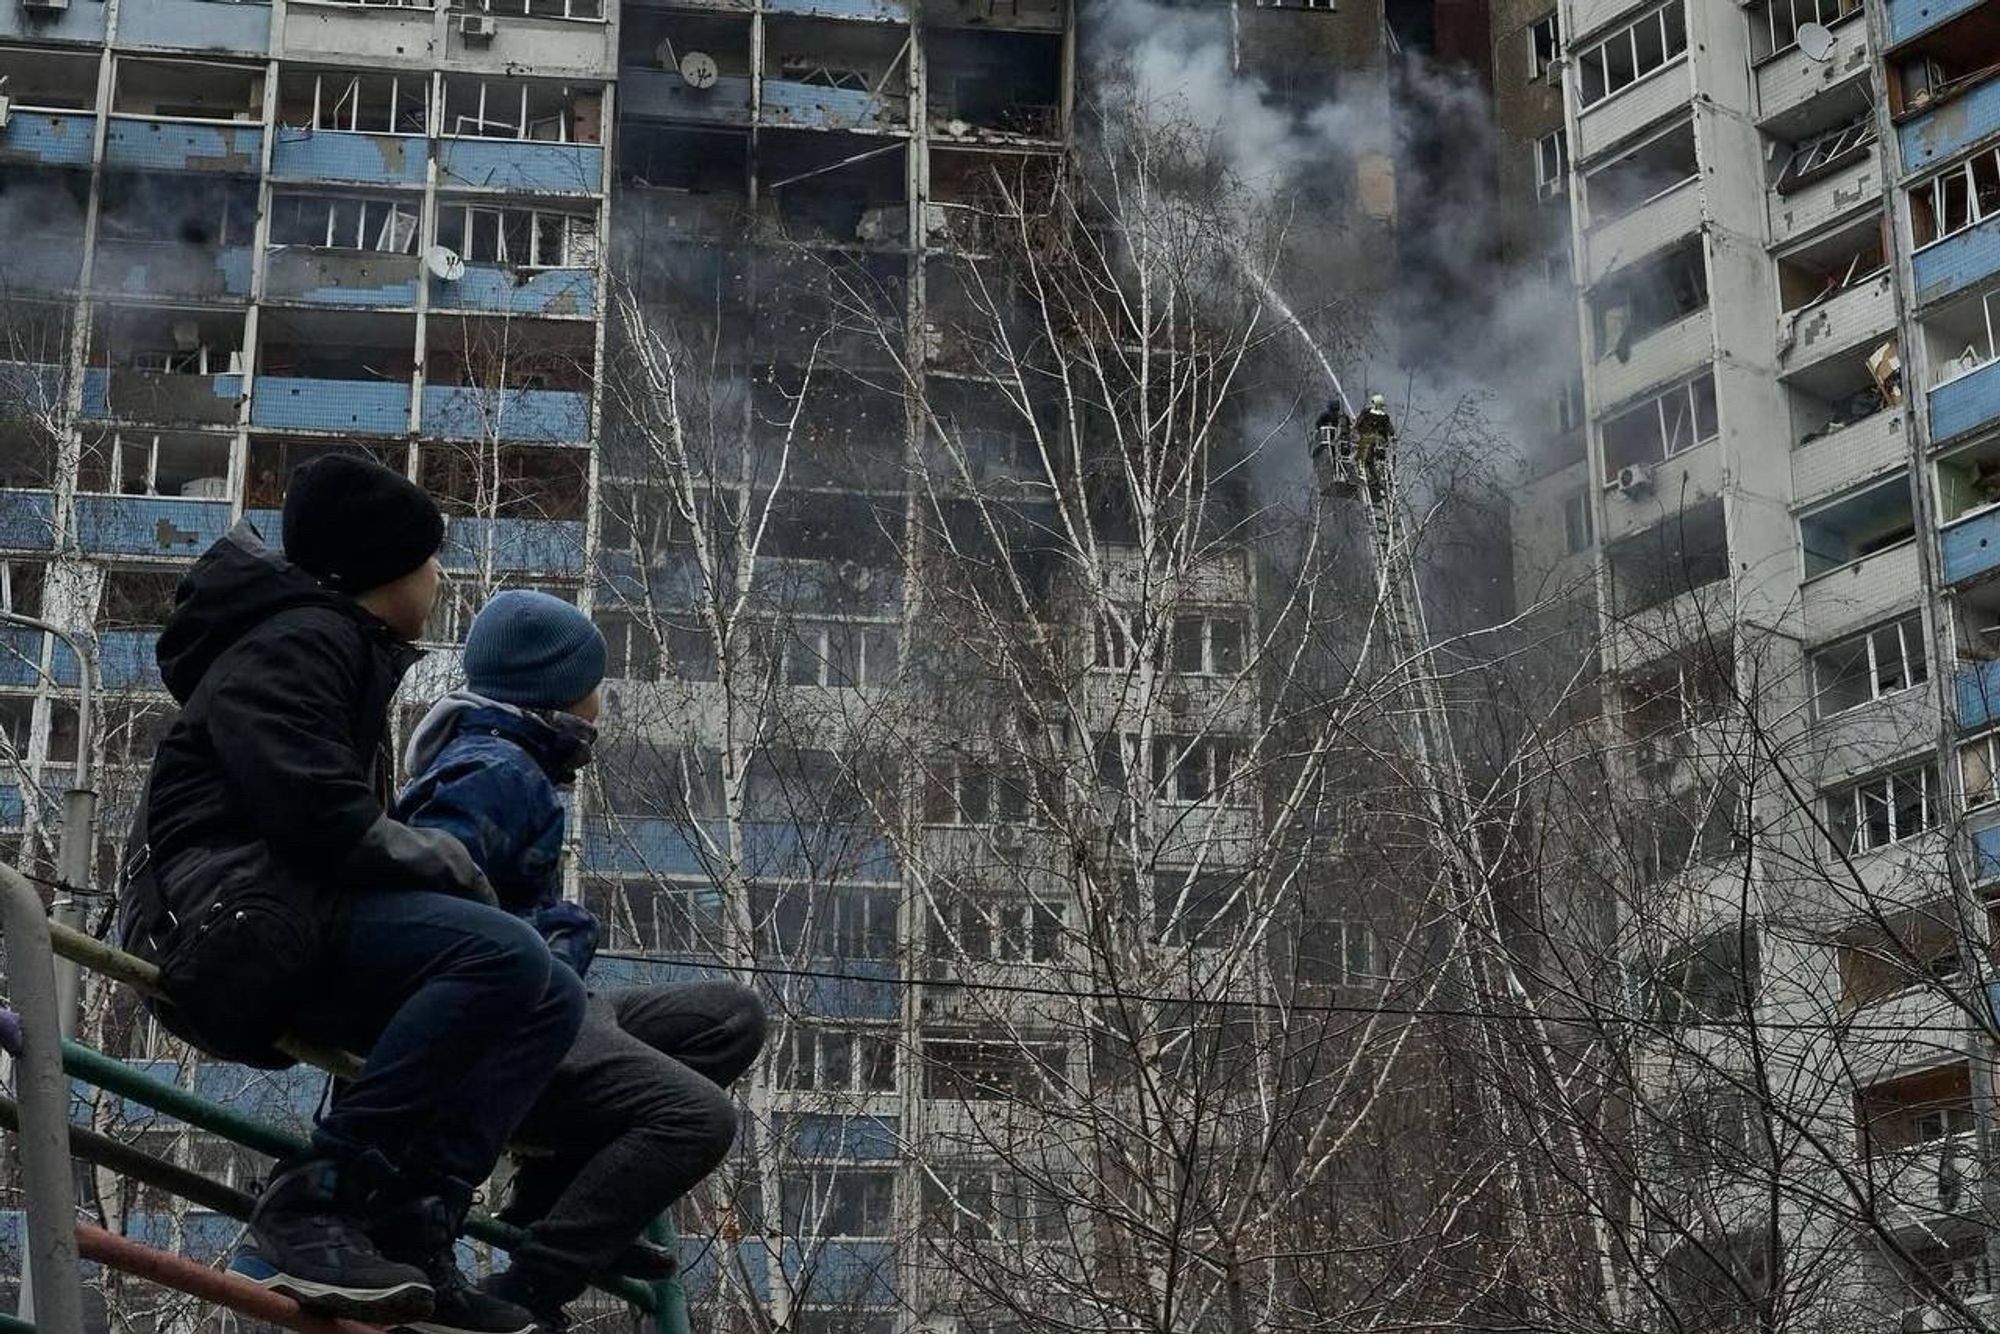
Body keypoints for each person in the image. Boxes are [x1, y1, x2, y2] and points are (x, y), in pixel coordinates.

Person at [116, 455, 586, 1334]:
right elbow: (311, 807)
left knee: (545, 992)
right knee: (500, 955)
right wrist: (447, 868)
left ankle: (414, 1225)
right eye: (430, 561)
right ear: (383, 570)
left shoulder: (339, 648)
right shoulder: (301, 640)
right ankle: (314, 1199)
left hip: (279, 911)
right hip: (222, 921)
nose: (441, 581)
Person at [396, 590, 766, 1331]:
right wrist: (551, 939)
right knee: (697, 1120)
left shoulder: (510, 760)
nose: (602, 700)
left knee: (728, 1018)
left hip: (541, 996)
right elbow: (433, 915)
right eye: (596, 683)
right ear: (558, 690)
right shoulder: (494, 770)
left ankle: (550, 1201)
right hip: (505, 1018)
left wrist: (556, 934)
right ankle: (531, 1288)